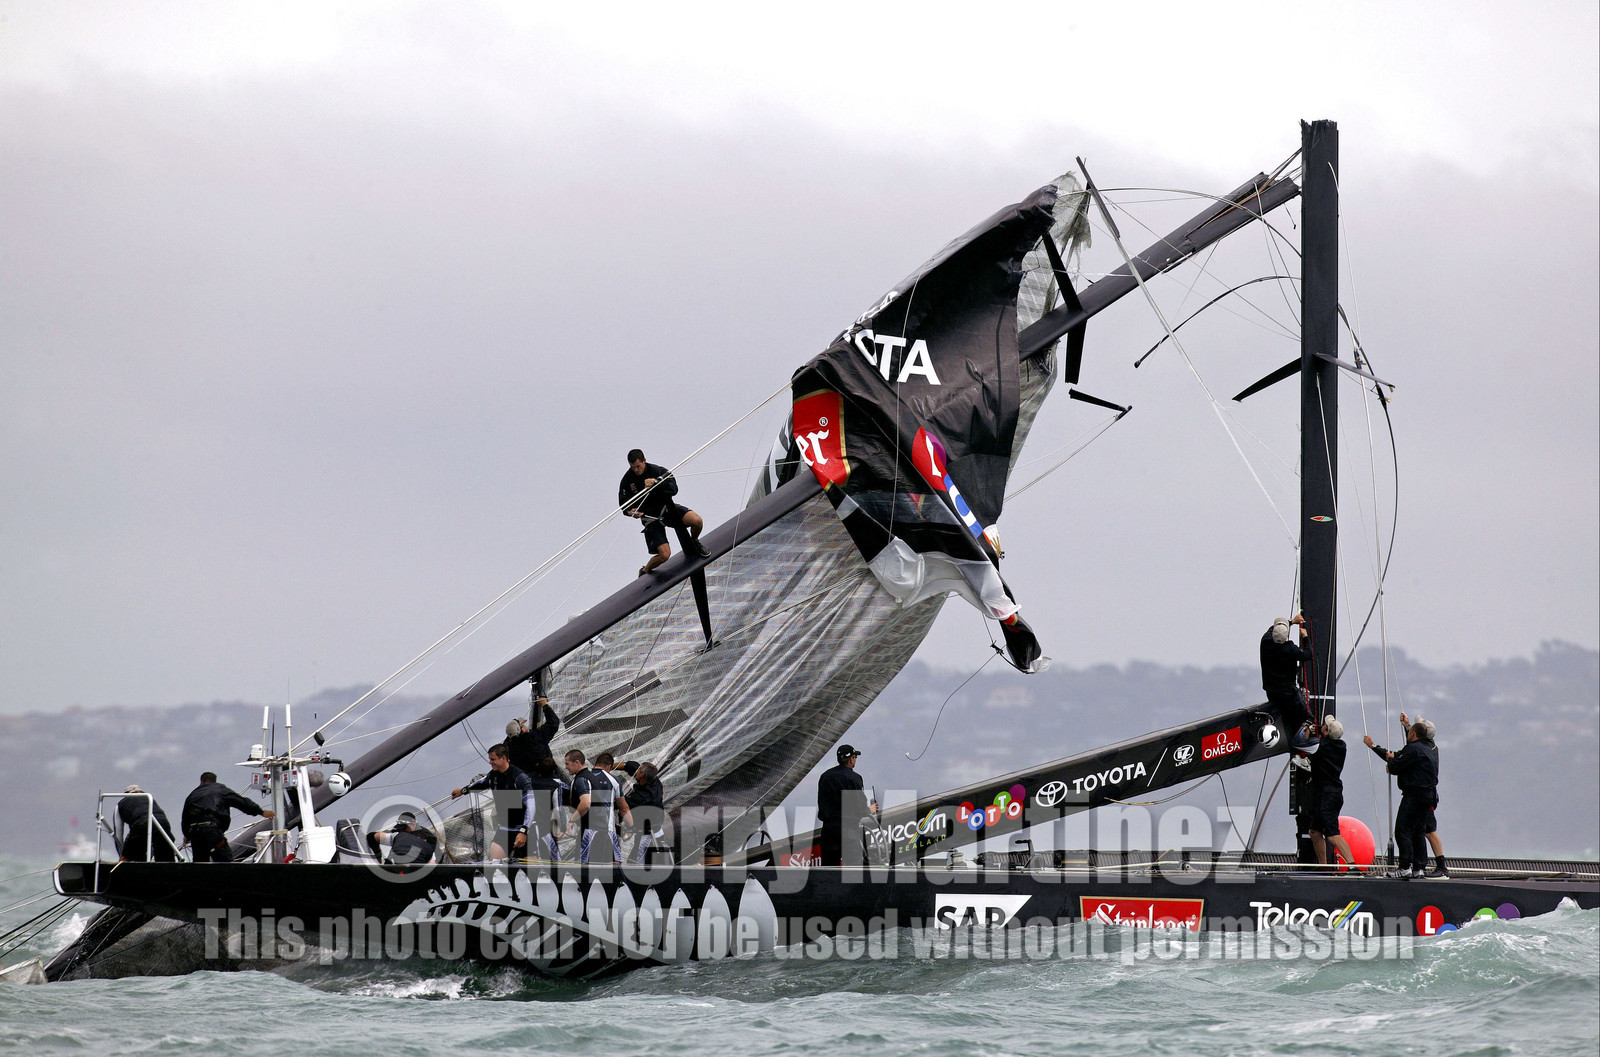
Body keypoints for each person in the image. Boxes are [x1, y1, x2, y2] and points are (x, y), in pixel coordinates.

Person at [1364, 717, 1439, 878]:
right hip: (1428, 796)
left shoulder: (1412, 749)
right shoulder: (1428, 749)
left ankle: (1405, 867)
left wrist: (1391, 764)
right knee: (1418, 831)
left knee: (1402, 830)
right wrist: (1374, 747)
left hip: (1414, 795)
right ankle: (1419, 868)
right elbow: (1397, 757)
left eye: (1410, 731)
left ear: (1413, 734)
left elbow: (1396, 765)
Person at [619, 448, 708, 576]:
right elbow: (623, 505)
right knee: (665, 555)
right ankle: (645, 570)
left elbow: (674, 489)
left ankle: (694, 541)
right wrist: (630, 512)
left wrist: (656, 483)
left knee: (697, 521)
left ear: (644, 461)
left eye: (638, 466)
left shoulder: (657, 470)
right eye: (633, 468)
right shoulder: (627, 480)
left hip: (667, 508)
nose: (636, 470)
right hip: (650, 517)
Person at [451, 744, 537, 861]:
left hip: (523, 830)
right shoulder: (493, 775)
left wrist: (524, 831)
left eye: (493, 759)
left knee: (531, 868)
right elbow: (481, 783)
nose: (490, 762)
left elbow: (531, 805)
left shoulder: (519, 777)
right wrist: (462, 791)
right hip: (505, 829)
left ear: (503, 758)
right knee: (495, 863)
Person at [182, 771, 274, 863]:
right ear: (215, 781)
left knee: (199, 862)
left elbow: (185, 817)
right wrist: (261, 812)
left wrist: (186, 835)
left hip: (195, 833)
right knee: (225, 859)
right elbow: (241, 802)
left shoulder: (192, 795)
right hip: (212, 830)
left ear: (201, 781)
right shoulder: (221, 790)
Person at [1261, 614, 1319, 754]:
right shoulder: (1290, 649)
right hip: (1289, 694)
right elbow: (1308, 655)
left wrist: (1291, 621)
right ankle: (1301, 744)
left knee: (1288, 716)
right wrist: (1305, 637)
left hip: (1271, 693)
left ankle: (1293, 742)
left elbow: (1271, 629)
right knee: (1308, 717)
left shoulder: (1265, 642)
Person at [816, 744, 878, 867]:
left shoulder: (825, 776)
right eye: (855, 757)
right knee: (854, 870)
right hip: (848, 830)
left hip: (828, 831)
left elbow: (822, 805)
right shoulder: (854, 778)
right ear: (851, 759)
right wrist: (870, 810)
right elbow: (860, 808)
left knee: (828, 870)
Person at [1307, 717, 1356, 870]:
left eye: (1325, 726)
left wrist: (1307, 731)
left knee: (1333, 835)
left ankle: (1352, 866)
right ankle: (1323, 866)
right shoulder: (1341, 746)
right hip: (1331, 793)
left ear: (1327, 733)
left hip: (1327, 796)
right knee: (1315, 831)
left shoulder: (1321, 747)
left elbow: (1300, 743)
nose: (1322, 725)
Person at [563, 749, 624, 864]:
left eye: (567, 764)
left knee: (584, 869)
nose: (566, 767)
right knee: (604, 868)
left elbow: (585, 803)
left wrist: (571, 820)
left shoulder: (581, 779)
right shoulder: (593, 778)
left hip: (590, 831)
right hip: (604, 830)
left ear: (577, 762)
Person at [1409, 713, 1449, 876]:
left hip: (1426, 794)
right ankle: (1421, 863)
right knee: (1422, 829)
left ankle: (1441, 866)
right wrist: (1406, 726)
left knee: (1429, 830)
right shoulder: (1428, 747)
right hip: (1428, 794)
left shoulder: (1426, 750)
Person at [618, 760, 665, 864]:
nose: (636, 770)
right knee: (634, 861)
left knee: (635, 863)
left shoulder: (644, 798)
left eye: (639, 770)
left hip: (648, 835)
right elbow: (631, 766)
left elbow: (622, 805)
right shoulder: (654, 780)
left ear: (642, 774)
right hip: (650, 831)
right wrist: (609, 766)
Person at [116, 785, 177, 863]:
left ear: (126, 795)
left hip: (141, 824)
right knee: (165, 860)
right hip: (163, 823)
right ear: (140, 792)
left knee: (135, 858)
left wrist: (123, 854)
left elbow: (118, 833)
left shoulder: (121, 804)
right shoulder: (149, 798)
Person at [505, 694, 561, 775]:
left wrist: (513, 730)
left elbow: (512, 735)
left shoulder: (509, 748)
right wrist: (545, 705)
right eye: (523, 725)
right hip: (547, 776)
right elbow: (553, 723)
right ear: (521, 729)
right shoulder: (534, 738)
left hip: (527, 779)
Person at [365, 811, 439, 866]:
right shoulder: (398, 835)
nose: (402, 831)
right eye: (400, 829)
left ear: (413, 825)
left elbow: (432, 861)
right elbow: (371, 837)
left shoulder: (426, 838)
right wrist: (378, 857)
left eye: (404, 828)